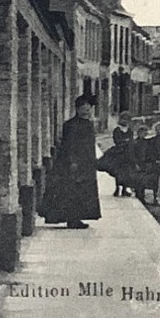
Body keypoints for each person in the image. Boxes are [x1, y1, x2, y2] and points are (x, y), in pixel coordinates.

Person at [40, 97, 103, 229]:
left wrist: (93, 161)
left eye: (88, 109)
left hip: (86, 163)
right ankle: (72, 218)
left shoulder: (88, 124)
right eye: (84, 109)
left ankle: (78, 217)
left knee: (83, 191)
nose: (87, 112)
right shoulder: (70, 125)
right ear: (78, 109)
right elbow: (69, 145)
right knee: (71, 191)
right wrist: (73, 161)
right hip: (72, 164)